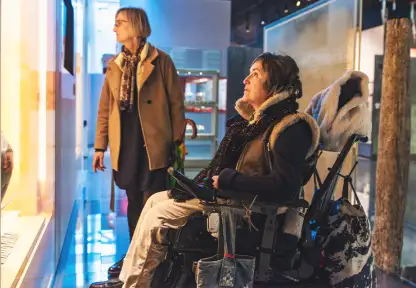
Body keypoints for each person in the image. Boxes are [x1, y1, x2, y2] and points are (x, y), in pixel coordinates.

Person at [89, 52, 320, 288]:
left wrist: (230, 180)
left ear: (275, 85)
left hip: (247, 213)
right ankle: (128, 278)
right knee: (155, 201)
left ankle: (134, 284)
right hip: (231, 200)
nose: (246, 80)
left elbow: (285, 188)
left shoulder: (291, 127)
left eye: (255, 74)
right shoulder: (256, 124)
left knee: (159, 216)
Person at [92, 7, 185, 277]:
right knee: (132, 197)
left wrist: (177, 143)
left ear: (134, 25)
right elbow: (104, 109)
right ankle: (135, 252)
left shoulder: (162, 61)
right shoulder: (114, 65)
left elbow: (176, 104)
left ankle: (155, 255)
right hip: (126, 141)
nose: (114, 28)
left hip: (154, 142)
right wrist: (100, 146)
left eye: (119, 23)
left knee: (153, 199)